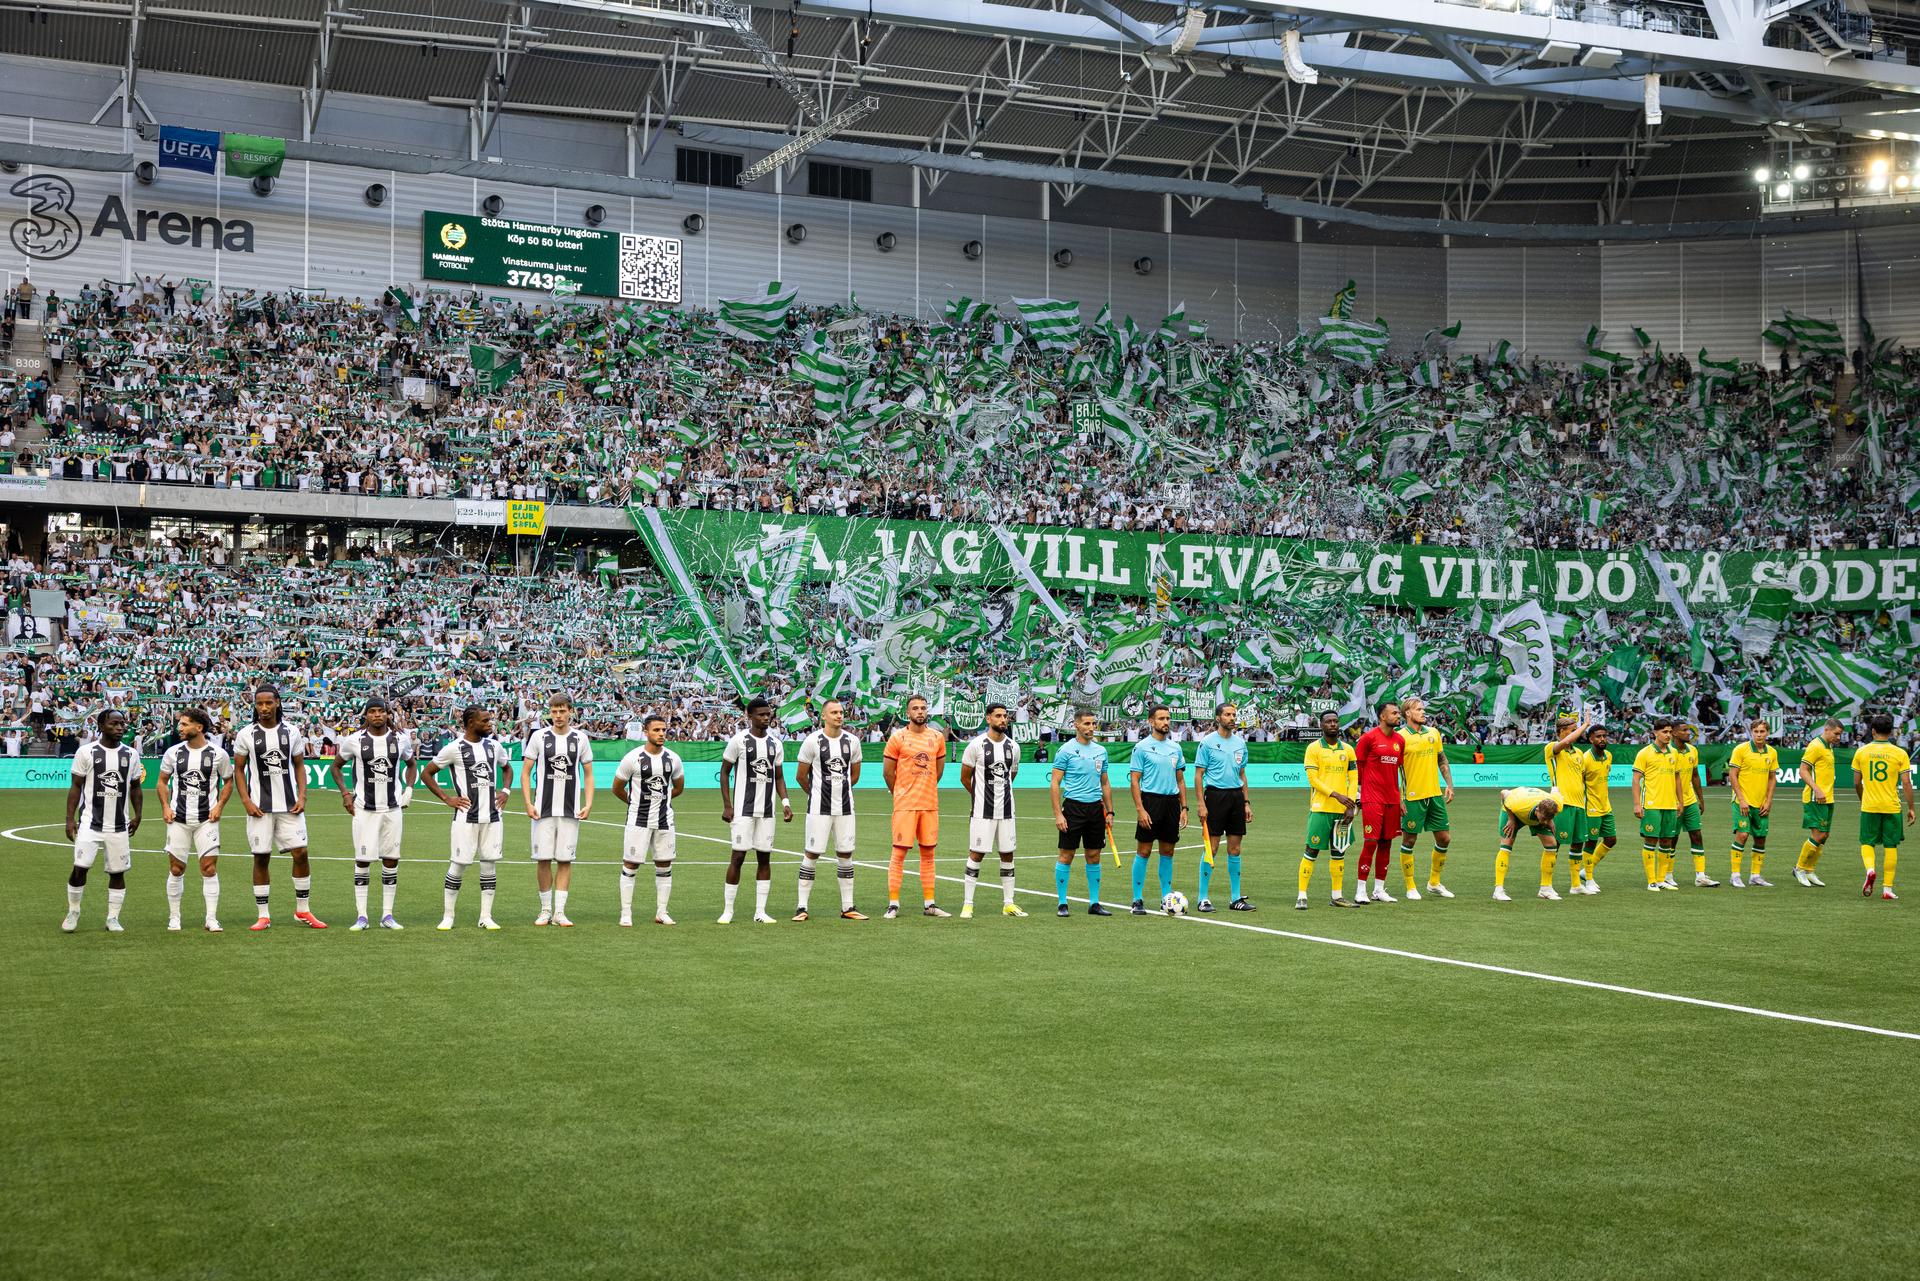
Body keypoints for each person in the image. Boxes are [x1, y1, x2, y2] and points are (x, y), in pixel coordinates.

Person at [233, 684, 325, 930]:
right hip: (259, 808)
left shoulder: (292, 732)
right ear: (255, 705)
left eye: (268, 703)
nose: (264, 708)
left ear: (278, 703)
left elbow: (298, 766)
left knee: (301, 853)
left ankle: (302, 910)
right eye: (259, 703)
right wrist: (246, 801)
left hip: (289, 805)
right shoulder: (246, 734)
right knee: (261, 857)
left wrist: (302, 796)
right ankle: (263, 914)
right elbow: (238, 770)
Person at [424, 705, 513, 930]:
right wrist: (447, 798)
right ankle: (448, 916)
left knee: (489, 865)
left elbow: (507, 768)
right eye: (485, 721)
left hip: (493, 817)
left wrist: (506, 791)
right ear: (471, 723)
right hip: (465, 817)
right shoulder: (454, 748)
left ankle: (486, 917)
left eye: (490, 720)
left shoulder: (494, 746)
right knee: (458, 865)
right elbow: (427, 773)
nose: (489, 724)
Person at [329, 697, 415, 930]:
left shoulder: (401, 739)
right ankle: (362, 916)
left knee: (391, 859)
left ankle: (387, 915)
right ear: (366, 715)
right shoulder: (354, 741)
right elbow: (335, 766)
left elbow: (412, 764)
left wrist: (409, 788)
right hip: (364, 810)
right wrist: (346, 793)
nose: (377, 715)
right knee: (363, 860)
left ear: (388, 714)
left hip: (393, 809)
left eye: (381, 711)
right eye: (372, 712)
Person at [62, 709, 144, 933]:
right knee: (80, 868)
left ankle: (113, 918)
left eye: (122, 724)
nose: (119, 728)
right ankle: (73, 911)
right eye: (114, 724)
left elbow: (135, 787)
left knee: (118, 872)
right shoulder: (86, 752)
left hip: (119, 825)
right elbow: (76, 787)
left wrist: (138, 815)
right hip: (90, 823)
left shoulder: (131, 754)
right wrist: (70, 820)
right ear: (101, 725)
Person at [157, 707, 233, 932]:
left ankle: (211, 918)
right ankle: (174, 917)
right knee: (176, 868)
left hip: (206, 819)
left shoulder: (218, 754)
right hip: (178, 818)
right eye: (180, 724)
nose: (179, 728)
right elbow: (162, 781)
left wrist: (219, 805)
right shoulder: (173, 752)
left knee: (209, 868)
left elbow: (228, 781)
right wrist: (165, 807)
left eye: (184, 724)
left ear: (198, 728)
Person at [522, 693, 594, 927]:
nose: (558, 715)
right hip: (542, 809)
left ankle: (560, 912)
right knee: (543, 859)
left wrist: (589, 802)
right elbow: (525, 772)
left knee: (565, 860)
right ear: (549, 712)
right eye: (554, 711)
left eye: (562, 711)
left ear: (570, 711)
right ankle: (545, 910)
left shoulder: (580, 738)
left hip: (570, 809)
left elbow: (589, 774)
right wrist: (528, 802)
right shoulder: (539, 737)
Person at [718, 696, 791, 925]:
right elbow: (724, 773)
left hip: (767, 811)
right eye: (761, 714)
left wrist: (785, 803)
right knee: (738, 856)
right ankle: (728, 910)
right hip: (742, 810)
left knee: (764, 858)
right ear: (749, 716)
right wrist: (727, 805)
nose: (766, 718)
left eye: (768, 714)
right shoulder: (738, 741)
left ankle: (760, 912)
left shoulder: (775, 744)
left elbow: (778, 776)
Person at [793, 698, 864, 921]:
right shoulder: (812, 741)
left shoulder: (852, 741)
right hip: (818, 809)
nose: (839, 716)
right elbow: (800, 776)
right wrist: (816, 794)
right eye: (833, 712)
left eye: (841, 712)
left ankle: (848, 907)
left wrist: (841, 791)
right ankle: (802, 907)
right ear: (823, 716)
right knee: (812, 853)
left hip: (845, 808)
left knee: (845, 853)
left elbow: (854, 776)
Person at [611, 714, 683, 927]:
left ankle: (661, 912)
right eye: (656, 730)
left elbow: (678, 787)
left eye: (663, 730)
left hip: (664, 820)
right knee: (631, 864)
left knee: (664, 863)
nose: (661, 734)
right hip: (638, 819)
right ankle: (626, 913)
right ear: (646, 732)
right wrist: (635, 803)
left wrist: (664, 799)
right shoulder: (633, 758)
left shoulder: (673, 759)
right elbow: (616, 788)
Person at [882, 694, 948, 919]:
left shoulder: (937, 738)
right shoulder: (897, 738)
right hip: (905, 804)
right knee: (898, 853)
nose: (920, 711)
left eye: (923, 708)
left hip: (929, 803)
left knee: (928, 853)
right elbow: (888, 772)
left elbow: (938, 771)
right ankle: (893, 904)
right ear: (907, 713)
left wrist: (925, 786)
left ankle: (930, 904)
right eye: (915, 708)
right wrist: (900, 791)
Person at [959, 702, 1025, 919]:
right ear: (988, 719)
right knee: (976, 854)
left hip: (1007, 810)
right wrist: (979, 796)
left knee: (1007, 853)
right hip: (982, 811)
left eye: (1005, 716)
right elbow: (964, 777)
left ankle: (1009, 903)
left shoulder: (1013, 747)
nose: (1003, 720)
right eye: (998, 716)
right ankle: (968, 904)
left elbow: (1011, 776)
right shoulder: (976, 745)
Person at [1050, 709, 1113, 917]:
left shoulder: (1101, 751)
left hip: (1095, 809)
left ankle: (1094, 903)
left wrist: (1109, 810)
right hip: (1073, 808)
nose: (1091, 728)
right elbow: (1055, 783)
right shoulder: (1066, 750)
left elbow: (1105, 782)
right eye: (1086, 724)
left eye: (1093, 724)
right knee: (1066, 854)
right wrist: (1058, 814)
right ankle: (1062, 903)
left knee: (1094, 855)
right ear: (1076, 725)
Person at [1127, 704, 1188, 915]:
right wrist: (1140, 809)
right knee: (1143, 851)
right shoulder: (1141, 747)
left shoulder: (1176, 748)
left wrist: (1184, 807)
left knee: (1168, 851)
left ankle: (1166, 898)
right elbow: (1135, 781)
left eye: (1168, 718)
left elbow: (1180, 780)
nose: (1166, 722)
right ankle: (1137, 899)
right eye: (1161, 719)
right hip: (1150, 802)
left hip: (1171, 803)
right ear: (1151, 722)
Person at [1193, 702, 1253, 912]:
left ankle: (1235, 898)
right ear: (1218, 718)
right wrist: (1201, 804)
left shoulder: (1240, 744)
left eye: (1234, 714)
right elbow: (1199, 775)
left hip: (1236, 797)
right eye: (1227, 714)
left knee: (1235, 848)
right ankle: (1203, 898)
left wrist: (1246, 802)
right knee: (1212, 848)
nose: (1232, 718)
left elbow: (1242, 775)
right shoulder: (1207, 743)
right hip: (1215, 796)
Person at [1297, 710, 1357, 910]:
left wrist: (1351, 806)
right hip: (1321, 808)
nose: (1332, 724)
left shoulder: (1348, 749)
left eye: (1335, 721)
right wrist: (1337, 795)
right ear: (1321, 725)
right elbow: (1313, 780)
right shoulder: (1313, 749)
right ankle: (1302, 895)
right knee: (1311, 850)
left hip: (1342, 812)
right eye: (1328, 721)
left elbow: (1354, 778)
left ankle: (1337, 896)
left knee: (1339, 852)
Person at [1396, 695, 1454, 899]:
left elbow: (1442, 758)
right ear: (1408, 713)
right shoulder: (1399, 737)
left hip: (1434, 795)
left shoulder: (1434, 733)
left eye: (1423, 709)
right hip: (1412, 797)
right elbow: (1393, 769)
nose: (1423, 712)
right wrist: (1398, 797)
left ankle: (1434, 883)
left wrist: (1449, 784)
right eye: (1419, 709)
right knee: (1409, 840)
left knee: (1444, 838)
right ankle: (1410, 886)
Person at [1852, 713, 1915, 901]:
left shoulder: (1861, 752)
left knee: (1867, 842)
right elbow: (1906, 783)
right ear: (1891, 732)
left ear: (1872, 731)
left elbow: (1856, 782)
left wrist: (1863, 799)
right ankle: (1887, 889)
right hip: (1892, 806)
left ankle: (1870, 870)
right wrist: (1911, 808)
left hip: (1870, 805)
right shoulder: (1900, 753)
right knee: (1890, 846)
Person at [1352, 700, 1406, 904]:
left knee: (1387, 843)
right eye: (1394, 713)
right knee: (1371, 842)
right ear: (1382, 716)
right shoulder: (1368, 738)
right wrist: (1358, 793)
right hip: (1372, 798)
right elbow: (1358, 768)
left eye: (1398, 713)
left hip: (1392, 798)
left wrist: (1400, 798)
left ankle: (1379, 890)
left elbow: (1397, 771)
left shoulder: (1400, 741)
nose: (1398, 716)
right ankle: (1360, 890)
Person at [1543, 711, 1592, 895]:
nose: (1577, 734)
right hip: (1561, 803)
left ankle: (1575, 885)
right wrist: (1585, 725)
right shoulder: (1552, 748)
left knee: (1578, 843)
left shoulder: (1579, 753)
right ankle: (1546, 885)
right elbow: (1564, 743)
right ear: (1562, 731)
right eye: (1572, 730)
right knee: (1554, 844)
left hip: (1580, 804)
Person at [1727, 719, 1779, 888]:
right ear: (1751, 732)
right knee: (1742, 835)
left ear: (1767, 733)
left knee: (1760, 838)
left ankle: (1755, 876)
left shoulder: (1771, 752)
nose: (1759, 735)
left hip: (1761, 803)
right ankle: (1735, 875)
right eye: (1756, 731)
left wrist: (1768, 800)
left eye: (1762, 732)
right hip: (1742, 802)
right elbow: (1732, 775)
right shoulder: (1740, 750)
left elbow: (1772, 778)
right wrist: (1741, 799)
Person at [1632, 718, 1683, 892]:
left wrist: (1680, 801)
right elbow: (1636, 779)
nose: (1668, 735)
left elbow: (1677, 778)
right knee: (1651, 840)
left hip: (1670, 804)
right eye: (1665, 732)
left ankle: (1662, 879)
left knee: (1667, 841)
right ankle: (1651, 880)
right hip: (1652, 804)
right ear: (1655, 733)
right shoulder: (1644, 753)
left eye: (1670, 732)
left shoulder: (1674, 753)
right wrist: (1637, 804)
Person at [1795, 718, 1844, 887]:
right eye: (1836, 734)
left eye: (1840, 734)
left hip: (1828, 798)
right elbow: (1803, 770)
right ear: (1827, 730)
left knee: (1825, 836)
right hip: (1815, 798)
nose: (1838, 737)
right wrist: (1816, 788)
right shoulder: (1815, 746)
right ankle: (1799, 868)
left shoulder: (1828, 747)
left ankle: (1809, 870)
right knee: (1818, 835)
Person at [1495, 786, 1563, 901]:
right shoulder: (1518, 804)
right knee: (1507, 843)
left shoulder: (1557, 804)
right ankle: (1498, 890)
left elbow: (1555, 788)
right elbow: (1504, 793)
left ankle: (1545, 889)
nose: (1546, 822)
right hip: (1514, 813)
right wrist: (1511, 819)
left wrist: (1549, 820)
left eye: (1549, 818)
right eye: (1544, 818)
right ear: (1537, 810)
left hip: (1533, 813)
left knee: (1552, 844)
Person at [1575, 723, 1618, 893]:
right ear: (1590, 738)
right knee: (1591, 842)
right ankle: (1590, 879)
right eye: (1598, 736)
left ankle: (1586, 871)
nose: (1602, 739)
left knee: (1611, 840)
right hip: (1590, 807)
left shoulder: (1608, 756)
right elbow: (1579, 783)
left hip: (1605, 806)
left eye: (1604, 736)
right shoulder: (1585, 759)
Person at [1672, 722, 1715, 887]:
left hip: (1690, 800)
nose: (1688, 733)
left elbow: (1695, 775)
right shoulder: (1668, 752)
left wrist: (1701, 798)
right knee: (1672, 838)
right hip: (1672, 802)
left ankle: (1701, 876)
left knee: (1696, 834)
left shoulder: (1692, 750)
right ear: (1674, 733)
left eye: (1688, 730)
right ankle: (1668, 875)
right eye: (1684, 730)